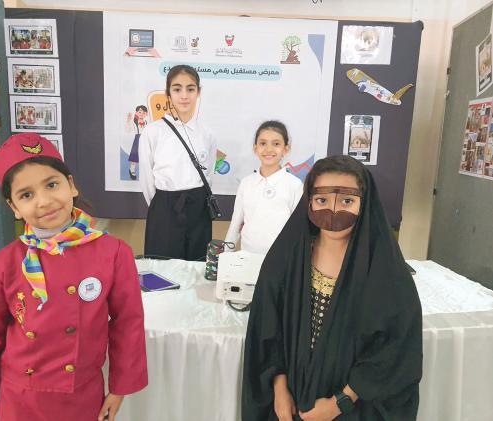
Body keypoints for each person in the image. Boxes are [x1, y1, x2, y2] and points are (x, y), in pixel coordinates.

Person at [0, 133, 148, 421]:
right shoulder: (2, 266)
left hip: (82, 398)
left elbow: (128, 323)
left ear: (71, 185)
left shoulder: (113, 253)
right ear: (14, 208)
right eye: (26, 195)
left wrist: (119, 388)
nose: (44, 201)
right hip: (19, 401)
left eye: (52, 185)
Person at [242, 155, 422, 421]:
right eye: (322, 200)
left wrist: (340, 403)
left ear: (364, 203)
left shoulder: (384, 270)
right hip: (290, 403)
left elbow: (396, 347)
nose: (333, 211)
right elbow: (268, 326)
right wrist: (279, 390)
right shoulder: (287, 258)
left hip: (354, 409)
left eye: (347, 201)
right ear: (309, 201)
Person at [139, 64, 216, 260]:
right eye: (177, 89)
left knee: (197, 265)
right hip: (165, 208)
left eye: (190, 89)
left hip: (198, 208)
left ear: (198, 92)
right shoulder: (153, 131)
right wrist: (162, 207)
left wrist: (198, 200)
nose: (184, 96)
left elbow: (209, 174)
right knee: (162, 266)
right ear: (168, 93)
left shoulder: (207, 133)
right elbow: (147, 179)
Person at [224, 121, 303, 255]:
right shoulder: (246, 183)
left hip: (281, 258)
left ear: (286, 149)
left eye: (276, 144)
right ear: (255, 148)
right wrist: (225, 254)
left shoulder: (294, 185)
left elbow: (298, 227)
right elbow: (235, 224)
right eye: (263, 143)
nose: (269, 149)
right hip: (247, 256)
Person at [126, 104, 148, 180]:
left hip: (145, 140)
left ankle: (145, 172)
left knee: (145, 156)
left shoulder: (146, 122)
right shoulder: (134, 122)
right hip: (137, 139)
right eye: (140, 112)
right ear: (136, 113)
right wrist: (128, 121)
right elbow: (128, 130)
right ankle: (132, 170)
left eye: (144, 112)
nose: (141, 114)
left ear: (146, 114)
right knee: (134, 156)